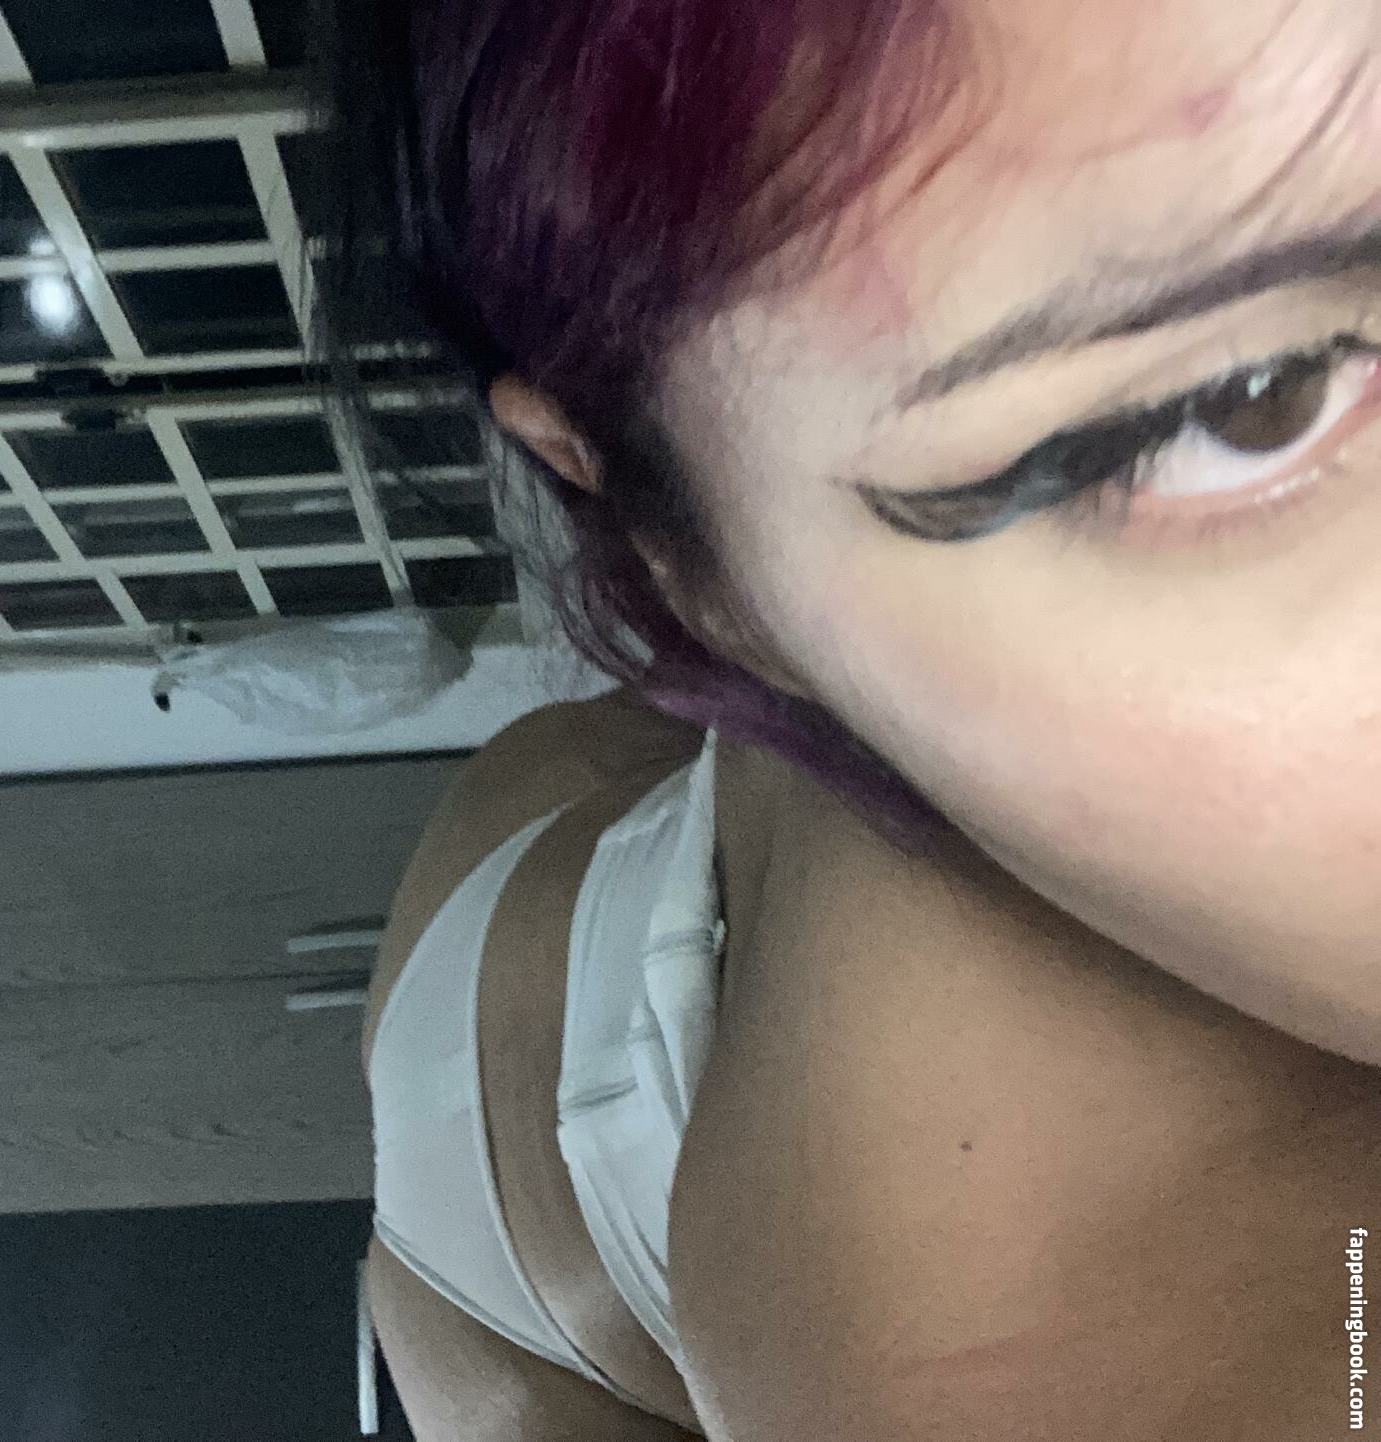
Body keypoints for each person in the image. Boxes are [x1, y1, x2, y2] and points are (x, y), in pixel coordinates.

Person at [313, 0, 1381, 1437]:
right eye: (1256, 401)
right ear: (672, 548)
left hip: (516, 888)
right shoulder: (1032, 1367)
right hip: (516, 1289)